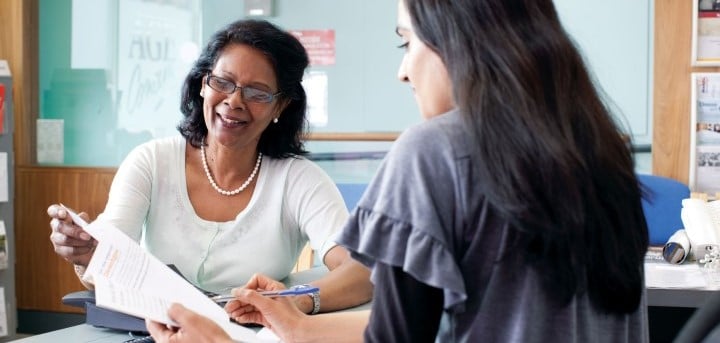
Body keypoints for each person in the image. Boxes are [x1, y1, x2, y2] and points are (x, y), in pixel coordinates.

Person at [148, 0, 651, 341]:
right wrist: (298, 324)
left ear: (456, 41)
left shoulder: (433, 153)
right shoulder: (600, 154)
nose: (403, 70)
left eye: (405, 43)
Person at [47, 19, 372, 314]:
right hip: (159, 331)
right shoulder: (151, 161)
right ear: (203, 84)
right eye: (223, 82)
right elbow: (109, 263)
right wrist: (86, 252)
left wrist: (293, 300)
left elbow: (362, 273)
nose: (234, 101)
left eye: (257, 92)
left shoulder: (299, 180)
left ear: (281, 106)